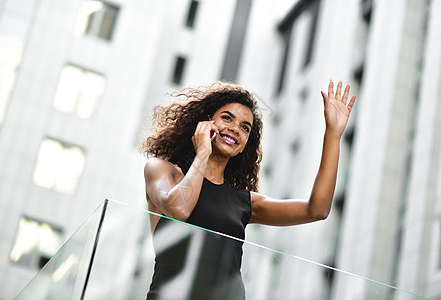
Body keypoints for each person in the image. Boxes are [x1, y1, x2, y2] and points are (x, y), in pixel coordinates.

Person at [141, 80, 356, 299]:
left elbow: (316, 210)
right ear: (205, 122)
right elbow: (179, 209)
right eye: (227, 118)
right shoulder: (163, 170)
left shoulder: (244, 202)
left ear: (245, 144)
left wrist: (333, 134)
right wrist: (202, 153)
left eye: (245, 128)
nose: (235, 129)